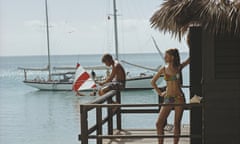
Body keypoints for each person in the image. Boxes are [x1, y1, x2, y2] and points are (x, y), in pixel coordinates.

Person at [151, 48, 190, 144]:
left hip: (179, 97)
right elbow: (153, 82)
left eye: (166, 55)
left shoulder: (179, 67)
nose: (164, 57)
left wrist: (190, 45)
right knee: (159, 123)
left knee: (177, 123)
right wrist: (160, 93)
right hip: (168, 98)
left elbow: (189, 59)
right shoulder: (163, 68)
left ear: (172, 57)